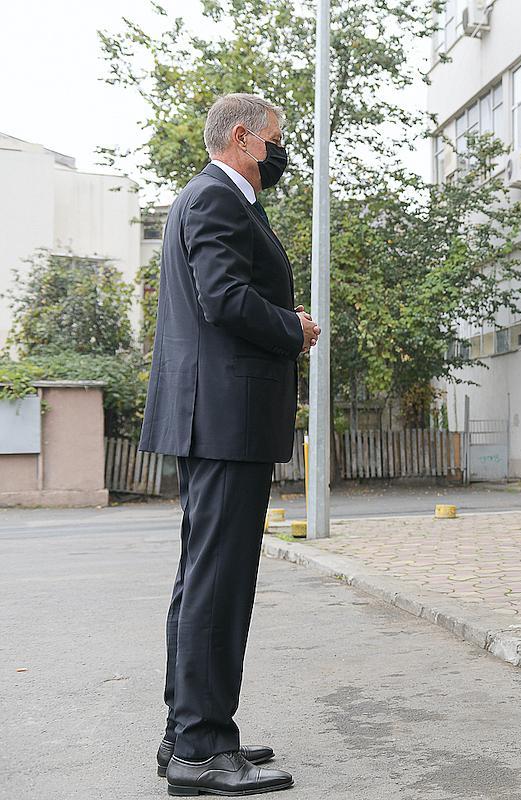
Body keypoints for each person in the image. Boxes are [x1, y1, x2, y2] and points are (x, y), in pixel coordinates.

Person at [139, 93, 320, 796]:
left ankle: (191, 732)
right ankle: (201, 747)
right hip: (223, 420)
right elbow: (223, 297)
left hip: (214, 420)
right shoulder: (217, 198)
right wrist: (292, 326)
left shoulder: (209, 197)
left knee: (203, 580)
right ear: (244, 138)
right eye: (277, 139)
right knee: (216, 582)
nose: (282, 151)